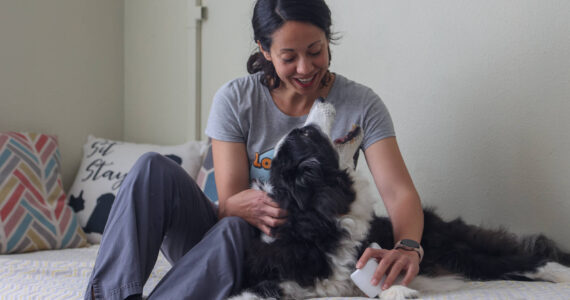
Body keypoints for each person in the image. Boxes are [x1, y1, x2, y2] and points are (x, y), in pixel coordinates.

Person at [85, 0, 424, 299]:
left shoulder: (361, 104)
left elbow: (398, 192)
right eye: (289, 57)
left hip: (297, 252)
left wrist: (408, 246)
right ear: (265, 50)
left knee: (237, 229)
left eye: (315, 50)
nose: (305, 68)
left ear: (327, 38)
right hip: (226, 244)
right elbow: (230, 203)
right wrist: (236, 206)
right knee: (151, 170)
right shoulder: (235, 99)